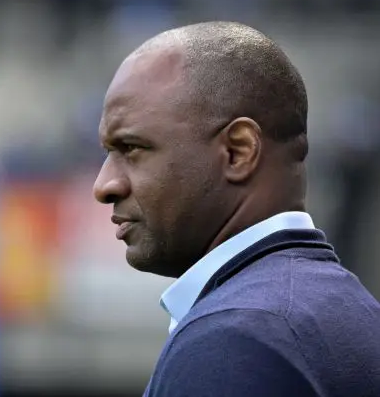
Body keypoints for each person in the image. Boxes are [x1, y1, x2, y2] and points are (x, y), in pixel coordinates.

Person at [92, 21, 380, 397]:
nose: (104, 185)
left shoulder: (236, 340)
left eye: (131, 148)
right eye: (107, 154)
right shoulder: (351, 310)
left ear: (238, 151)